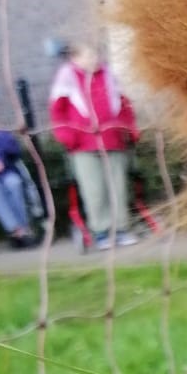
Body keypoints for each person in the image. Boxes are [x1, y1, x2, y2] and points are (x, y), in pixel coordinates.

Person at [48, 41, 140, 249]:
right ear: (75, 59)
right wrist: (69, 137)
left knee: (118, 186)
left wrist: (130, 130)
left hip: (112, 140)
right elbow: (58, 113)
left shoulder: (109, 77)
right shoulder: (66, 79)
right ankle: (101, 231)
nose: (94, 60)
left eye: (96, 55)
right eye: (88, 56)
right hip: (84, 145)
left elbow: (125, 106)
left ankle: (122, 229)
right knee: (94, 189)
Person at [0, 129, 34, 248]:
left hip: (7, 172)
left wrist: (2, 160)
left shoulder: (2, 135)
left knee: (14, 183)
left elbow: (15, 152)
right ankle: (15, 229)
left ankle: (23, 226)